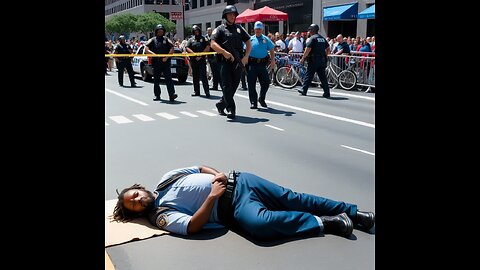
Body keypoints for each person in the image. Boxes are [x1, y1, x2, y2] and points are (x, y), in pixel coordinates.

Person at [112, 165, 375, 240]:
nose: (137, 200)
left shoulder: (167, 178)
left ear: (138, 188)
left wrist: (217, 175)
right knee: (258, 224)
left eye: (134, 195)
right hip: (234, 207)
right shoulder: (160, 215)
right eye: (133, 205)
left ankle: (355, 212)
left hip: (243, 181)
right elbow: (192, 226)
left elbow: (201, 167)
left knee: (293, 198)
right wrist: (213, 196)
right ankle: (328, 223)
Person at [210, 5, 252, 119]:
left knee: (234, 86)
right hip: (224, 62)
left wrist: (246, 56)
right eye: (230, 14)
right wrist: (224, 52)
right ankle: (230, 109)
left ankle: (221, 104)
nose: (232, 16)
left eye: (234, 14)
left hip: (238, 62)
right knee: (226, 86)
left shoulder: (239, 28)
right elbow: (212, 43)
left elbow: (248, 42)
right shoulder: (219, 29)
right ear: (225, 16)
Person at [144, 24, 178, 102]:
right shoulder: (152, 40)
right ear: (156, 32)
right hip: (156, 63)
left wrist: (166, 57)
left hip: (165, 62)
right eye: (159, 31)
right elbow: (146, 48)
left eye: (162, 31)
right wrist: (153, 55)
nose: (160, 32)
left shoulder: (166, 39)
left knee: (169, 79)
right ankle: (157, 95)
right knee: (156, 80)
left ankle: (172, 95)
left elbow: (172, 48)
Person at [246, 21, 275, 109]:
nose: (258, 30)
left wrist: (273, 60)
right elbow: (245, 49)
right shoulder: (250, 39)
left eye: (259, 29)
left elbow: (272, 49)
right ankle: (253, 102)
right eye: (256, 29)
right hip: (252, 64)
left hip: (262, 64)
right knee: (251, 84)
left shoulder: (266, 39)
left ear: (262, 29)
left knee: (266, 83)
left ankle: (261, 99)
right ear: (254, 29)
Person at [297, 24, 331, 98]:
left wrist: (303, 58)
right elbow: (328, 48)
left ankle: (304, 90)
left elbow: (308, 49)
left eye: (310, 30)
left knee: (308, 75)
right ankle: (327, 93)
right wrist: (325, 56)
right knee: (323, 77)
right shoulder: (322, 38)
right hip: (322, 60)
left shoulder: (312, 38)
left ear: (312, 30)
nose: (309, 31)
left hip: (314, 60)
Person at [186, 25, 211, 98]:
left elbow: (208, 47)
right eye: (195, 31)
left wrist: (201, 55)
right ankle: (196, 91)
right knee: (195, 76)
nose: (196, 32)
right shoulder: (191, 39)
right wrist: (193, 54)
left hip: (201, 60)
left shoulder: (204, 39)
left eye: (197, 31)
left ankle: (207, 91)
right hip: (194, 60)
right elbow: (187, 47)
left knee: (203, 76)